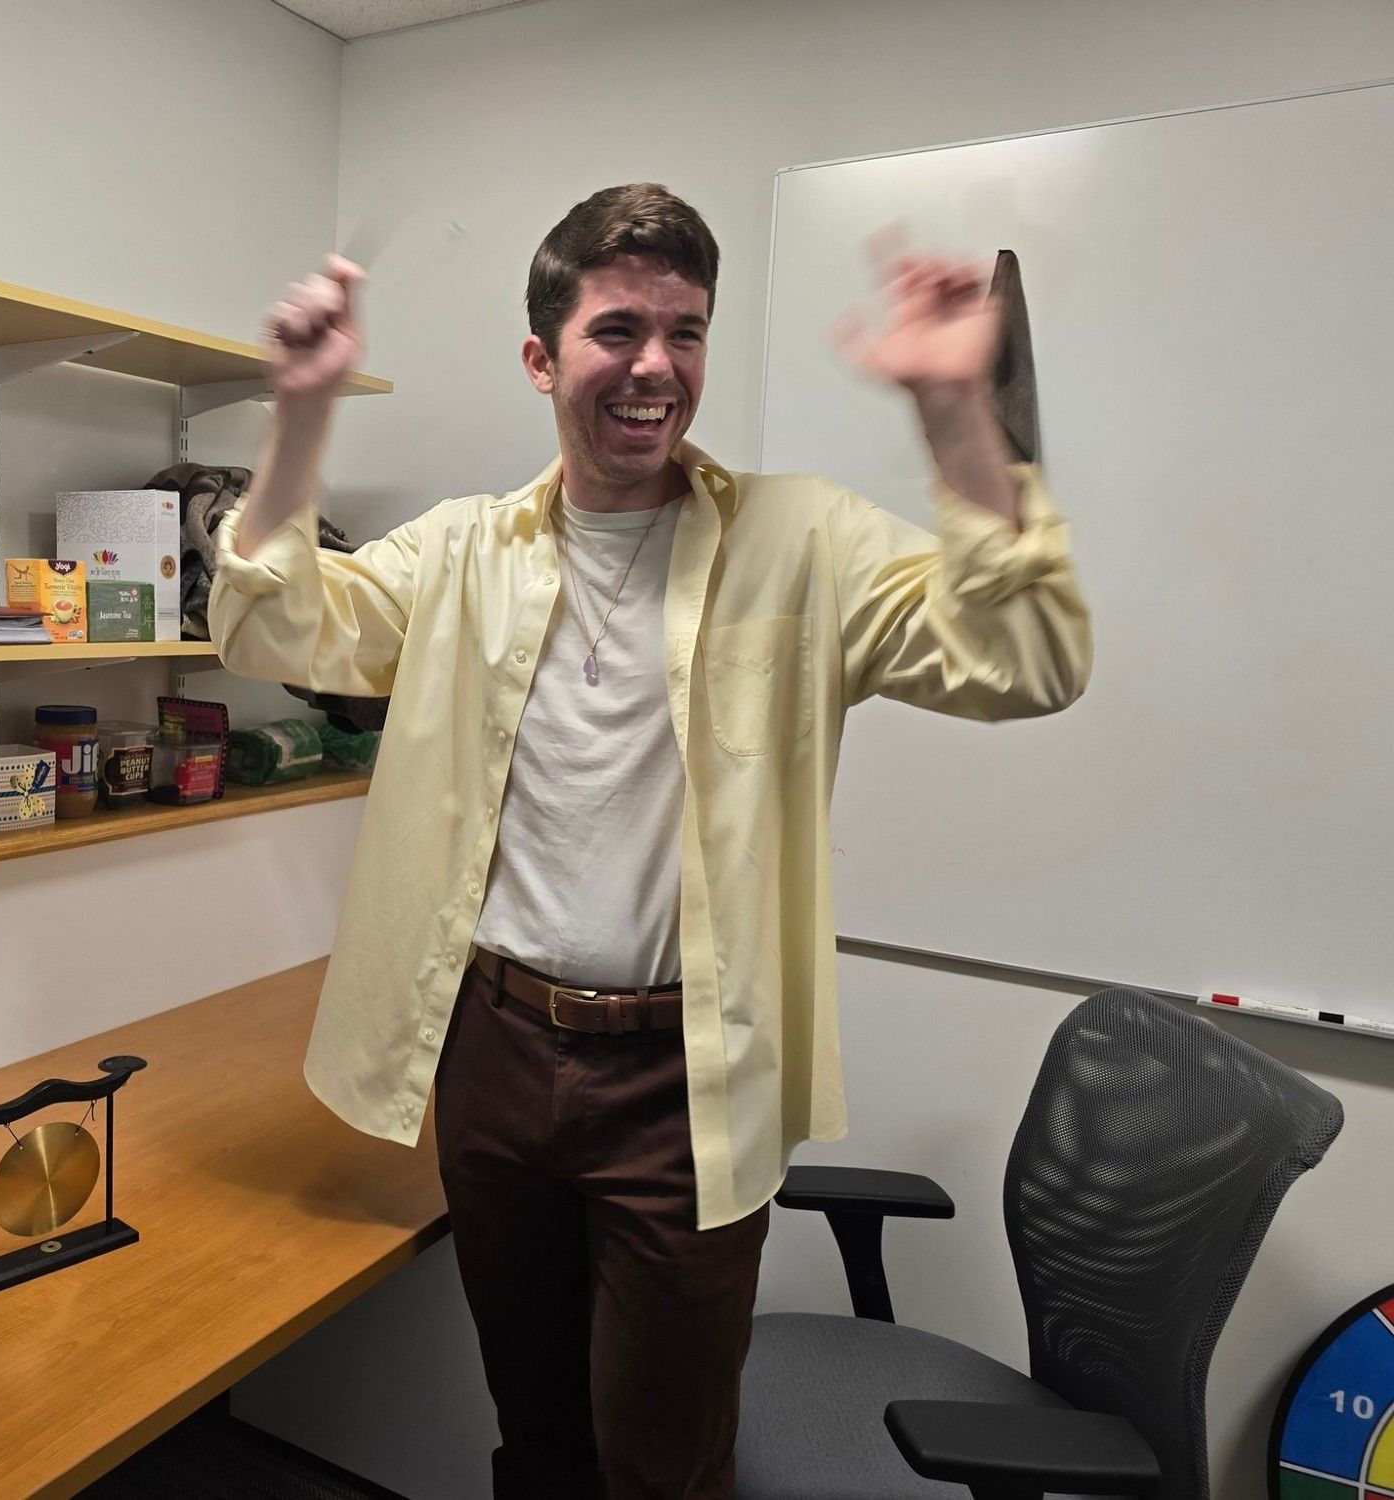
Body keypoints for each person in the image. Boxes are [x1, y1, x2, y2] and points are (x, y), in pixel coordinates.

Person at [208, 183, 1090, 1500]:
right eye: (619, 329)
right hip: (495, 1055)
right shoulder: (464, 552)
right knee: (538, 1435)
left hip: (683, 1077)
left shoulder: (803, 542)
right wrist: (302, 411)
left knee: (662, 1464)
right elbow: (269, 630)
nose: (655, 366)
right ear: (542, 358)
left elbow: (1029, 657)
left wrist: (957, 414)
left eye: (686, 333)